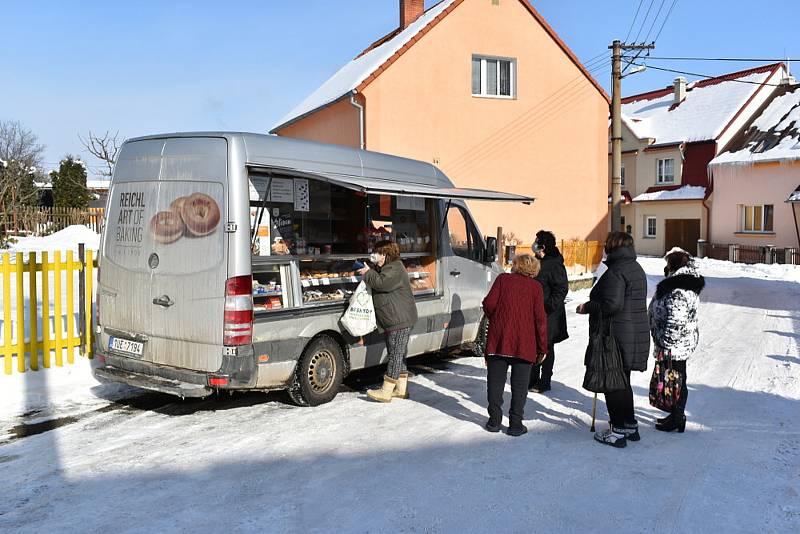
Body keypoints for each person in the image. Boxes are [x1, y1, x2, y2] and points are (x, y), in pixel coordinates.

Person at [576, 232, 649, 448]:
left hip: (615, 336)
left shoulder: (616, 271)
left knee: (612, 383)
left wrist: (587, 307)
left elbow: (611, 305)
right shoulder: (635, 267)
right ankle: (629, 425)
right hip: (632, 333)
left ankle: (617, 431)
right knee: (623, 381)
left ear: (612, 247)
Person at [482, 254, 548, 436]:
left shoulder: (502, 279)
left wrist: (496, 318)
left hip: (499, 340)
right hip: (524, 343)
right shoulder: (536, 287)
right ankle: (515, 424)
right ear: (534, 269)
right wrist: (543, 347)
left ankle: (494, 421)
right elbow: (540, 319)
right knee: (520, 386)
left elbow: (488, 303)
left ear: (516, 265)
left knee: (495, 383)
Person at [648, 247, 705, 433]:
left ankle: (677, 418)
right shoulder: (681, 284)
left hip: (675, 345)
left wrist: (665, 343)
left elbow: (676, 321)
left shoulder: (678, 289)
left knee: (676, 381)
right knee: (676, 380)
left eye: (668, 264)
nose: (665, 268)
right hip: (679, 343)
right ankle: (675, 415)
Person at [358, 240, 418, 403]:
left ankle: (386, 391)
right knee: (397, 353)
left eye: (377, 252)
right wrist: (371, 269)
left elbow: (382, 283)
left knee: (396, 354)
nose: (374, 255)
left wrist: (368, 273)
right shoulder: (388, 267)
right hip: (394, 317)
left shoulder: (395, 268)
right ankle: (401, 389)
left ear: (385, 254)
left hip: (399, 318)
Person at [528, 230, 569, 394]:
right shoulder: (537, 261)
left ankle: (544, 382)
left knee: (547, 347)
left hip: (549, 315)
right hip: (535, 313)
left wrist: (547, 307)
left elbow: (561, 289)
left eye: (537, 242)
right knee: (534, 345)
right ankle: (531, 380)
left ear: (543, 246)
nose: (534, 245)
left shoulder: (554, 264)